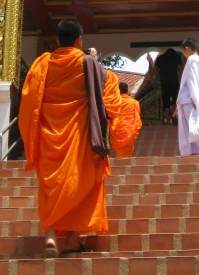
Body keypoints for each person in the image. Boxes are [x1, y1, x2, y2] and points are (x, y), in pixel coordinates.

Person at [19, 19, 121, 257]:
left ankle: (51, 237)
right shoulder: (88, 63)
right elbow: (106, 95)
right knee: (82, 182)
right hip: (80, 135)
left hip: (48, 135)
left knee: (51, 187)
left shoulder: (43, 64)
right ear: (79, 41)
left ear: (57, 40)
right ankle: (74, 239)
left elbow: (29, 101)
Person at [109, 82, 142, 158]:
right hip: (130, 132)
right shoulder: (134, 103)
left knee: (119, 154)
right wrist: (135, 130)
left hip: (117, 132)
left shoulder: (114, 103)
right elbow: (137, 118)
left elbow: (110, 116)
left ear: (118, 91)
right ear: (127, 91)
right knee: (128, 155)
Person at [149, 48, 182, 124]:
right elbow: (180, 69)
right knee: (175, 100)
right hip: (174, 81)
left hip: (164, 81)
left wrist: (160, 76)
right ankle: (175, 119)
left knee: (166, 101)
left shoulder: (160, 58)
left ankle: (168, 120)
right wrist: (181, 76)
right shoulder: (177, 56)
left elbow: (155, 70)